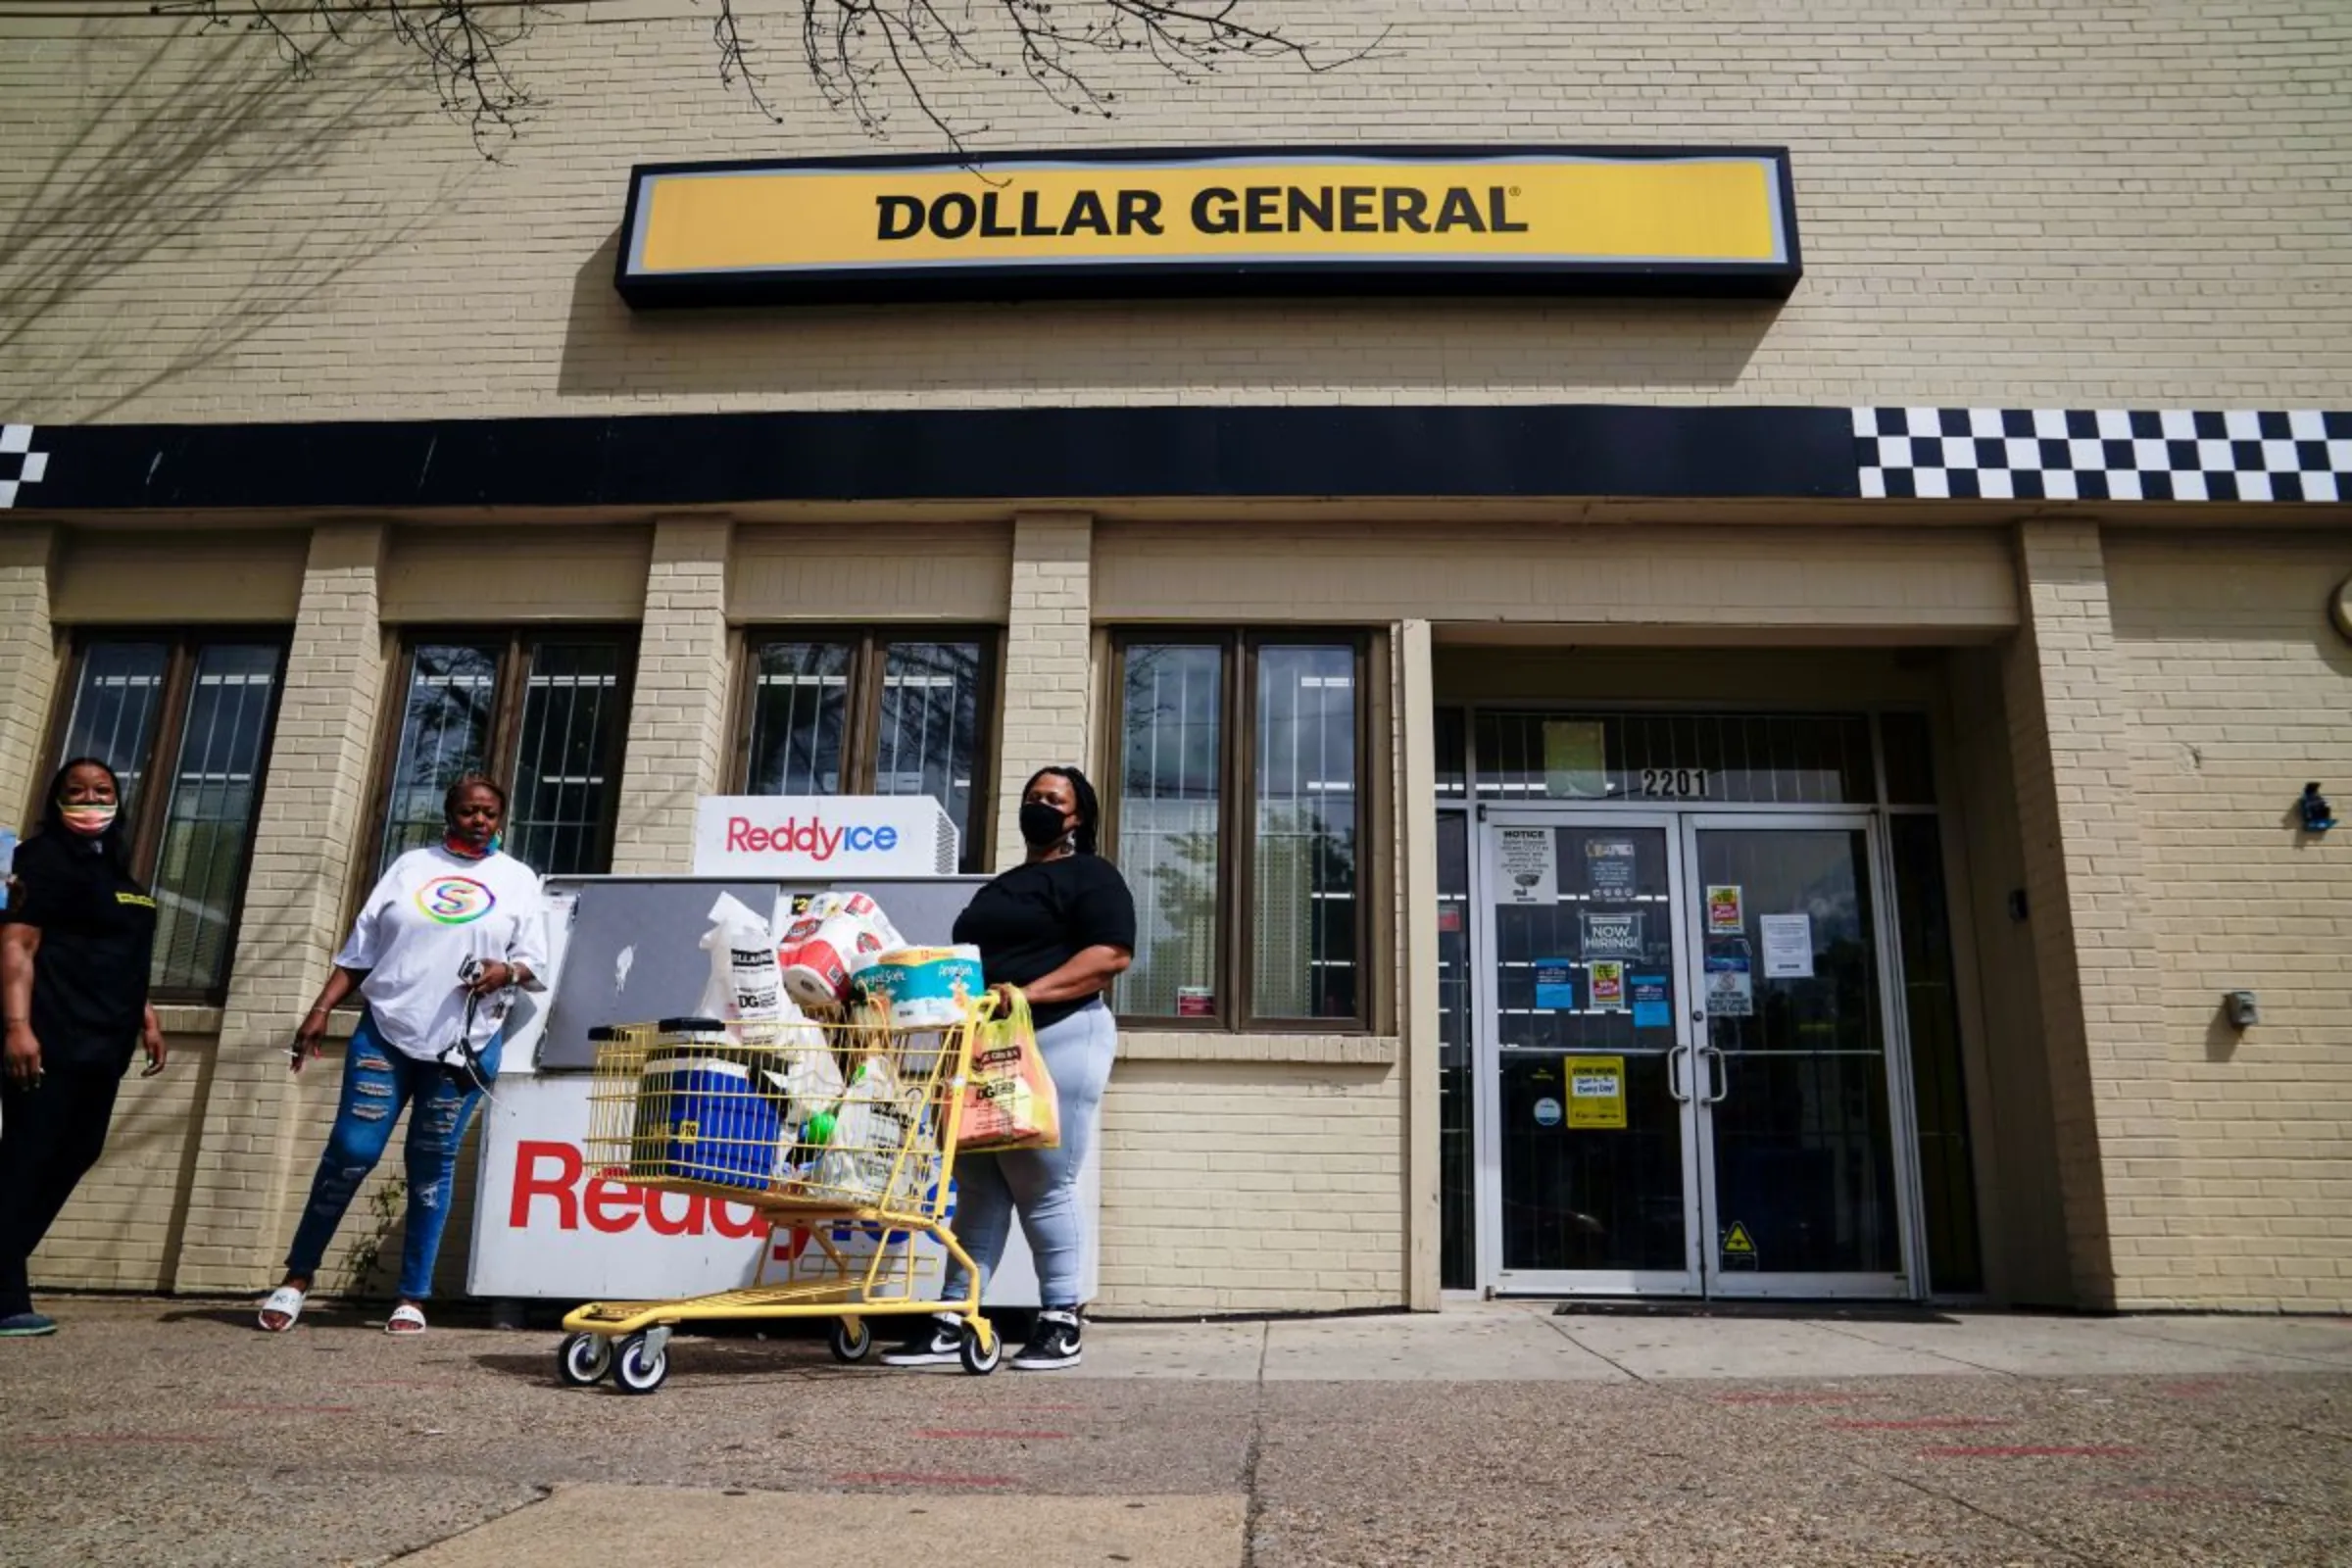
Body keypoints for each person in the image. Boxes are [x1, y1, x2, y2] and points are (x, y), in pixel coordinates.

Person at [258, 774, 546, 1336]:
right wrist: (320, 1010)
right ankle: (296, 1278)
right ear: (449, 813)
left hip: (466, 1045)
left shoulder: (517, 880)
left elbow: (534, 960)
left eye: (488, 813)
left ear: (501, 819)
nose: (478, 821)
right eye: (467, 811)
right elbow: (360, 951)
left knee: (431, 1166)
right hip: (386, 1032)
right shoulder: (410, 867)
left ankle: (412, 1296)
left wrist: (504, 971)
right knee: (350, 1150)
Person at [884, 765, 1133, 1372]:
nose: (1040, 806)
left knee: (1042, 1178)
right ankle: (953, 1316)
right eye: (1032, 797)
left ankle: (1060, 1320)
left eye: (1054, 799)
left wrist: (1024, 993)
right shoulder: (1002, 886)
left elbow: (1111, 955)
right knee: (977, 1184)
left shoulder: (1091, 875)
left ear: (1077, 818)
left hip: (1060, 1033)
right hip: (986, 1042)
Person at [0, 758, 168, 1339]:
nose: (91, 799)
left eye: (102, 791)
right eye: (77, 791)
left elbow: (119, 951)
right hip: (52, 1035)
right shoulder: (39, 861)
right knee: (28, 1156)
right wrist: (17, 1027)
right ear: (56, 800)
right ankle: (6, 1294)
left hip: (108, 1038)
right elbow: (18, 946)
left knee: (77, 1150)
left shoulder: (115, 867)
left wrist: (144, 1013)